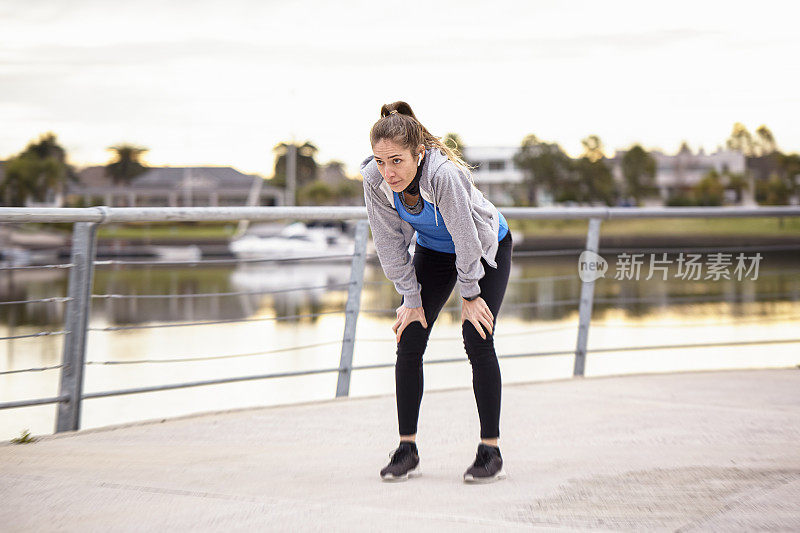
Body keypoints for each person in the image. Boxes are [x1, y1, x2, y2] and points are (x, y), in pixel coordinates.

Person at [360, 101, 513, 483]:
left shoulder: (443, 175)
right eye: (380, 161)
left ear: (419, 153)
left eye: (396, 161)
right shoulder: (374, 180)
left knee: (476, 334)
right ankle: (406, 449)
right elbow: (389, 244)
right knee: (410, 335)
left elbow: (466, 237)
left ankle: (490, 451)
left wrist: (471, 294)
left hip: (484, 246)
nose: (388, 171)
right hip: (434, 249)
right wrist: (411, 299)